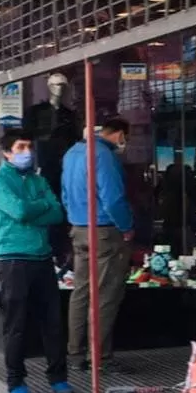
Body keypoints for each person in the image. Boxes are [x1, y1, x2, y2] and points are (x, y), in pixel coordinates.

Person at [0, 129, 74, 393]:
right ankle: (15, 381)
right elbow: (20, 211)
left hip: (42, 258)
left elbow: (58, 211)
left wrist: (32, 209)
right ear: (6, 152)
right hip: (13, 260)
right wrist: (39, 207)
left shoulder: (38, 179)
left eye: (29, 146)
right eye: (20, 147)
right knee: (16, 324)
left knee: (53, 323)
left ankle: (58, 378)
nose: (27, 152)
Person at [62, 117, 134, 372]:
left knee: (81, 291)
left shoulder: (72, 152)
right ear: (119, 134)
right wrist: (126, 228)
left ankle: (75, 353)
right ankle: (99, 357)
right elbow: (113, 198)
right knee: (104, 295)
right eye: (125, 138)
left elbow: (65, 194)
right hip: (104, 231)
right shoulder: (104, 155)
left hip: (78, 229)